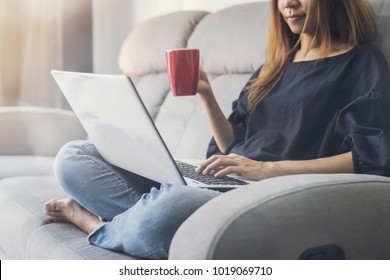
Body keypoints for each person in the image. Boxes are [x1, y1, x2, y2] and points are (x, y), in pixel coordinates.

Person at [44, 0, 390, 259]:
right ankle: (144, 218)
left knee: (169, 209)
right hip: (224, 180)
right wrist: (206, 95)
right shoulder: (273, 67)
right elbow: (233, 144)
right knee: (74, 156)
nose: (288, 4)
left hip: (267, 191)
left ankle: (96, 224)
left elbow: (370, 159)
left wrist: (268, 170)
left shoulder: (361, 63)